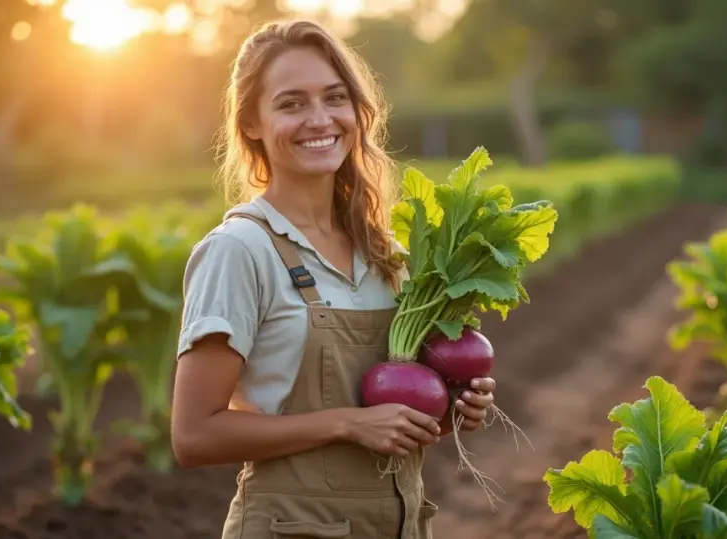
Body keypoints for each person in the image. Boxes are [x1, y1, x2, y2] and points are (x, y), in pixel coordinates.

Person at [170, 18, 497, 539]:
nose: (319, 119)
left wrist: (447, 409)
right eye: (291, 103)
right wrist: (347, 423)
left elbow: (390, 411)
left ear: (357, 111)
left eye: (334, 97)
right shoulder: (240, 250)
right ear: (252, 123)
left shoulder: (386, 252)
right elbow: (193, 436)